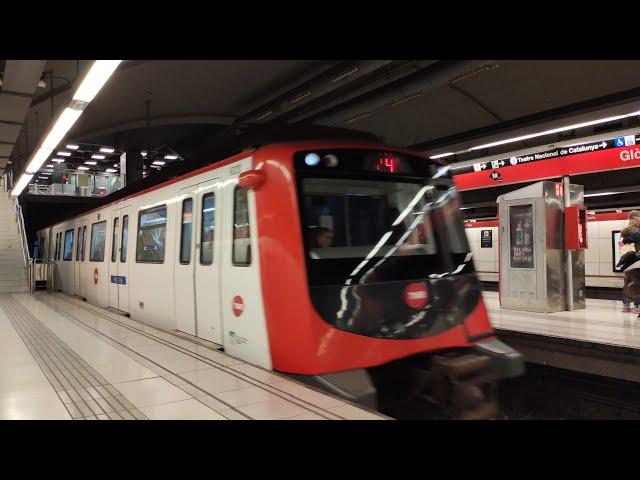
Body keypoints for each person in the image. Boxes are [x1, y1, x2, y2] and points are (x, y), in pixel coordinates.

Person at [619, 210, 640, 313]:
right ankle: (637, 306)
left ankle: (626, 306)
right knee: (637, 282)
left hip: (627, 260)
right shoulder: (637, 231)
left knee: (628, 282)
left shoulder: (626, 231)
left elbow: (623, 244)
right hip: (637, 259)